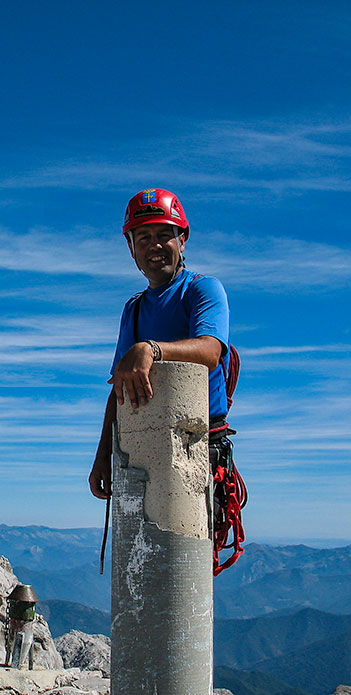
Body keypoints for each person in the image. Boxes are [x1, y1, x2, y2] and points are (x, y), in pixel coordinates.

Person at [89, 188, 231, 501]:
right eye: (143, 238)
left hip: (196, 445)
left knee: (190, 549)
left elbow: (210, 351)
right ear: (131, 248)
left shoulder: (202, 289)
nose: (154, 245)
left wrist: (150, 349)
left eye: (164, 235)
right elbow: (119, 389)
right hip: (139, 446)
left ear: (182, 239)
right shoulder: (134, 308)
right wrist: (103, 456)